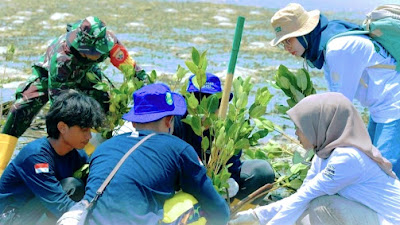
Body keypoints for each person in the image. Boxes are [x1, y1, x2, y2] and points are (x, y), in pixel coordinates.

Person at [59, 83, 230, 225]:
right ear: (170, 120)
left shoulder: (104, 148)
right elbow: (216, 208)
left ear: (133, 122)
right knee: (190, 203)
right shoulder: (179, 148)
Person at [0, 16, 147, 175]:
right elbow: (59, 104)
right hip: (49, 77)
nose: (97, 56)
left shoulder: (109, 41)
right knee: (20, 110)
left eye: (99, 52)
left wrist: (146, 86)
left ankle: (99, 150)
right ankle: (1, 166)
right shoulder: (62, 57)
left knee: (106, 103)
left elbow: (131, 69)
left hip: (86, 73)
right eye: (93, 53)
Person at [229, 92, 400, 225]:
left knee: (321, 206)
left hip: (390, 220)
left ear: (318, 125)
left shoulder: (347, 158)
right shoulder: (323, 155)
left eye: (300, 127)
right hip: (368, 216)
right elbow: (300, 195)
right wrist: (253, 215)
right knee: (302, 215)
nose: (296, 133)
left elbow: (305, 198)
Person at [269, 3, 400, 175]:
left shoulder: (339, 48)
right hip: (381, 108)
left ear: (303, 33)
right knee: (373, 168)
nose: (287, 47)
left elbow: (340, 107)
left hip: (393, 107)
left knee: (386, 175)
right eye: (282, 43)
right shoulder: (330, 40)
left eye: (289, 39)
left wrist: (318, 149)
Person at [0, 90, 105, 224]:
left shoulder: (77, 154)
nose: (89, 136)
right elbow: (60, 204)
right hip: (11, 217)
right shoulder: (36, 156)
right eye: (84, 130)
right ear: (62, 127)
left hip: (40, 210)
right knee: (72, 186)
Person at [173, 73, 275, 203]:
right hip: (182, 188)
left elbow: (233, 166)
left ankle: (235, 213)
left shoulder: (226, 129)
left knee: (261, 171)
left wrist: (230, 182)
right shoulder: (175, 124)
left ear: (222, 106)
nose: (204, 112)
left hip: (216, 187)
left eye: (212, 103)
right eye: (198, 101)